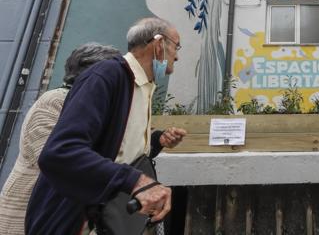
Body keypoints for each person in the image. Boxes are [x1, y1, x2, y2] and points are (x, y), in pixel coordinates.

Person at [25, 18, 187, 235]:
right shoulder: (106, 76)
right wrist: (136, 181)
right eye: (175, 46)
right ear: (158, 44)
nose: (177, 56)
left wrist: (156, 140)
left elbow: (120, 148)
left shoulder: (142, 85)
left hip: (109, 220)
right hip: (75, 221)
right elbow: (59, 153)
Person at [0, 44, 120, 235]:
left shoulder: (89, 105)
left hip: (63, 212)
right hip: (29, 211)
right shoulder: (53, 102)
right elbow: (60, 161)